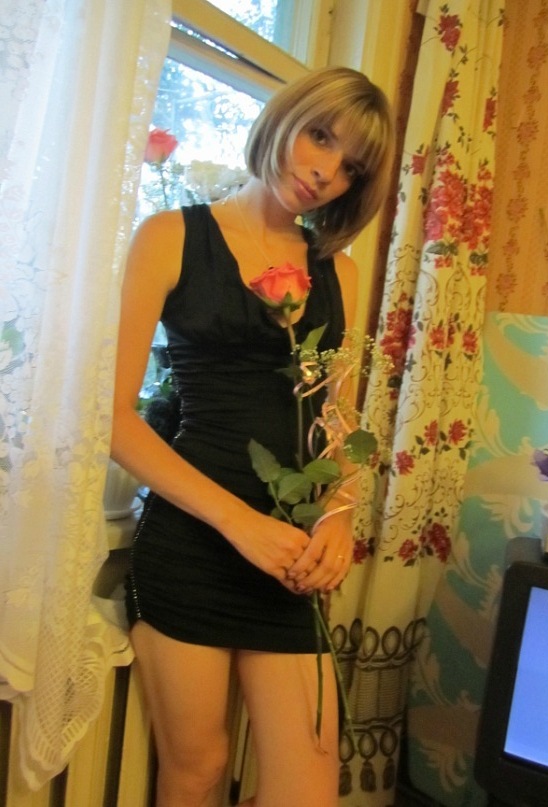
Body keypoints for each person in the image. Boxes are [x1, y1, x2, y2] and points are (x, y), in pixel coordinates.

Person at [111, 65, 394, 807]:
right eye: (320, 136)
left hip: (287, 557)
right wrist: (240, 523)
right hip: (193, 543)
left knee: (309, 785)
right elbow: (110, 419)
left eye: (349, 166)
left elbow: (338, 419)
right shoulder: (170, 237)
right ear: (285, 119)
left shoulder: (340, 272)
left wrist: (340, 513)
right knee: (198, 771)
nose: (325, 171)